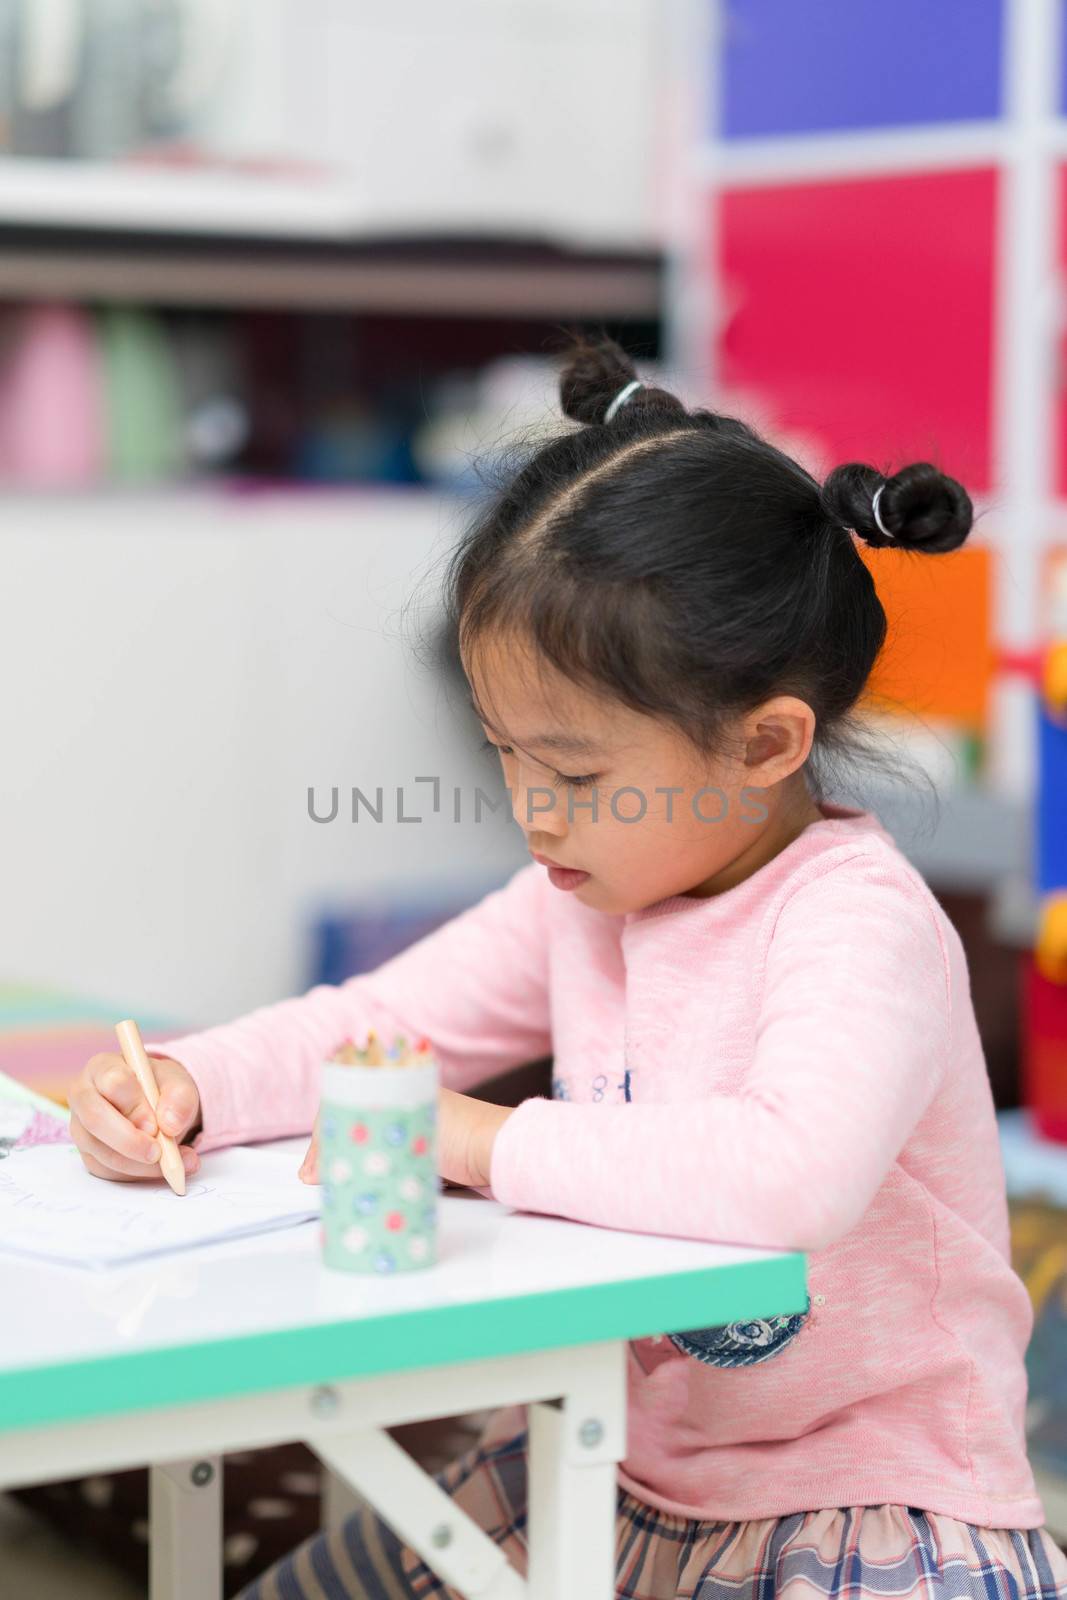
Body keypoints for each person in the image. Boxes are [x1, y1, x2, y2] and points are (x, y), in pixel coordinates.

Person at [69, 336, 1067, 1599]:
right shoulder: (587, 891)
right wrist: (187, 1082)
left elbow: (789, 1175)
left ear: (764, 742)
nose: (533, 814)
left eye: (577, 773)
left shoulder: (852, 920)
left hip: (856, 1497)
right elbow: (379, 1021)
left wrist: (479, 1141)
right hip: (608, 1462)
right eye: (506, 754)